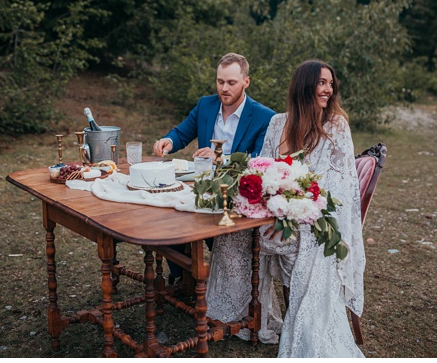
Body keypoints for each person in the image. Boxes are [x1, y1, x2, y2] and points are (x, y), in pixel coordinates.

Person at [206, 59, 365, 358]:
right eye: (321, 82)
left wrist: (290, 208)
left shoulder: (336, 126)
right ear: (303, 86)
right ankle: (240, 317)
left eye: (330, 83)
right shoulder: (278, 122)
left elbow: (335, 189)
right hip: (272, 210)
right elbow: (262, 168)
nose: (328, 89)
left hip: (311, 218)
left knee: (289, 241)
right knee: (230, 232)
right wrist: (262, 200)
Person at [154, 53, 278, 283]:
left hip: (237, 193)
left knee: (201, 224)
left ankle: (221, 276)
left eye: (231, 82)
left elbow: (260, 160)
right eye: (220, 82)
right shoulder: (206, 104)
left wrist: (220, 158)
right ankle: (182, 276)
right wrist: (168, 141)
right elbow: (182, 132)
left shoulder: (265, 116)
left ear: (246, 82)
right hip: (201, 186)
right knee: (165, 215)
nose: (224, 88)